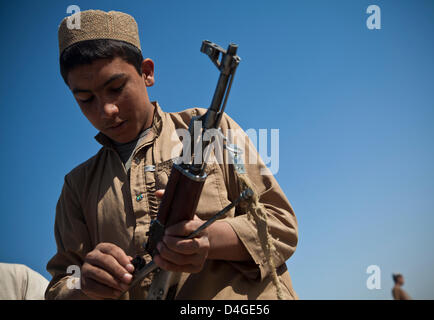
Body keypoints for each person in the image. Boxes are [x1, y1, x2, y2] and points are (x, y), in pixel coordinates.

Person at [46, 9, 298, 300]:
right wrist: (84, 285)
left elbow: (281, 226)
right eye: (85, 99)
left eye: (116, 88)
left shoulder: (206, 130)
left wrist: (208, 239)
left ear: (147, 73)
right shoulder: (77, 186)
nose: (106, 110)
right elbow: (59, 287)